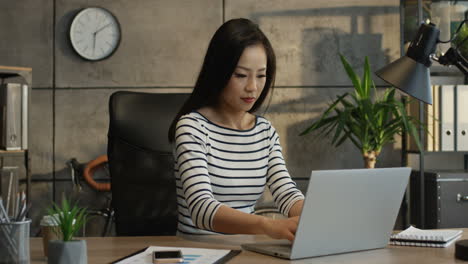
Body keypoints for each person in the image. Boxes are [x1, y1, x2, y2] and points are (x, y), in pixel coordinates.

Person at [168, 18, 304, 241]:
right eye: (240, 75)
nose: (253, 87)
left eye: (261, 75)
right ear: (219, 72)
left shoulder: (264, 131)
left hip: (247, 251)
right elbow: (201, 209)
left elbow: (286, 193)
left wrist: (313, 215)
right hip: (199, 252)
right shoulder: (192, 127)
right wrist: (267, 225)